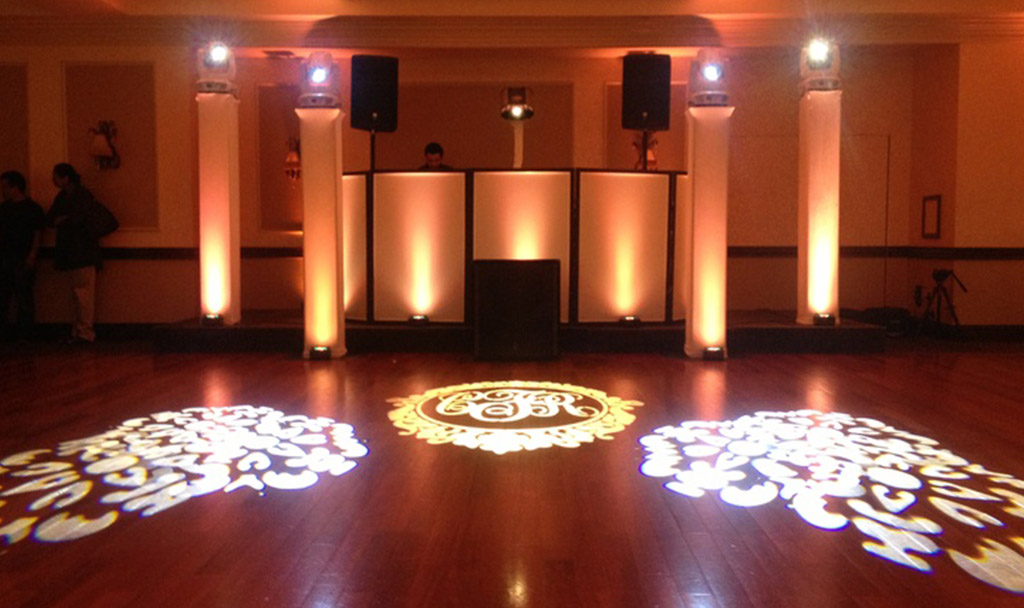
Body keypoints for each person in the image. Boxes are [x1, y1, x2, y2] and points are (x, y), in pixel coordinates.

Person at [46, 163, 105, 344]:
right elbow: (56, 219)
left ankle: (84, 332)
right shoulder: (77, 196)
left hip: (79, 253)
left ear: (66, 178)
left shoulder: (72, 197)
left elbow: (65, 219)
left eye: (56, 176)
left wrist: (61, 219)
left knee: (81, 295)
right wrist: (64, 219)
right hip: (79, 252)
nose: (53, 180)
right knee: (80, 295)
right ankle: (81, 331)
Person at [0, 170, 46, 341]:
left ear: (16, 187)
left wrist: (32, 255)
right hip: (7, 256)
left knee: (22, 296)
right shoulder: (6, 208)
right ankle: (15, 333)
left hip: (20, 256)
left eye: (5, 187)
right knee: (8, 296)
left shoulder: (31, 209)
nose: (3, 191)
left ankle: (24, 333)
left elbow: (37, 234)